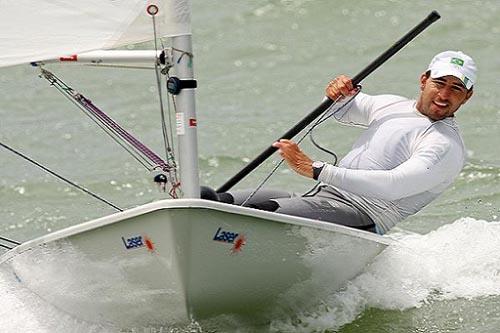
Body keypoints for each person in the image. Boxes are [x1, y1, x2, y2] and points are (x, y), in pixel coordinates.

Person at [225, 50, 477, 235]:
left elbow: (393, 185)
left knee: (258, 214)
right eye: (440, 83)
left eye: (456, 88)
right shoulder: (393, 105)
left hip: (360, 218)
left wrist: (315, 169)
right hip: (320, 199)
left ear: (468, 95)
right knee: (215, 201)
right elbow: (341, 109)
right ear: (424, 80)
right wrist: (337, 92)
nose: (444, 95)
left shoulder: (445, 146)